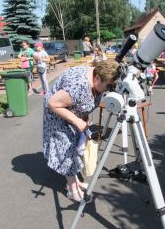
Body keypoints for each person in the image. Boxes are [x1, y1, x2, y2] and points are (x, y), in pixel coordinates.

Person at [43, 60, 120, 202]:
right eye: (108, 85)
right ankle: (72, 189)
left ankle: (75, 181)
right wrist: (77, 120)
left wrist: (83, 116)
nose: (109, 88)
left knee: (75, 145)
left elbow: (83, 101)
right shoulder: (78, 85)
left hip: (71, 110)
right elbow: (53, 104)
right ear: (97, 78)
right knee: (67, 148)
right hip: (57, 114)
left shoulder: (97, 75)